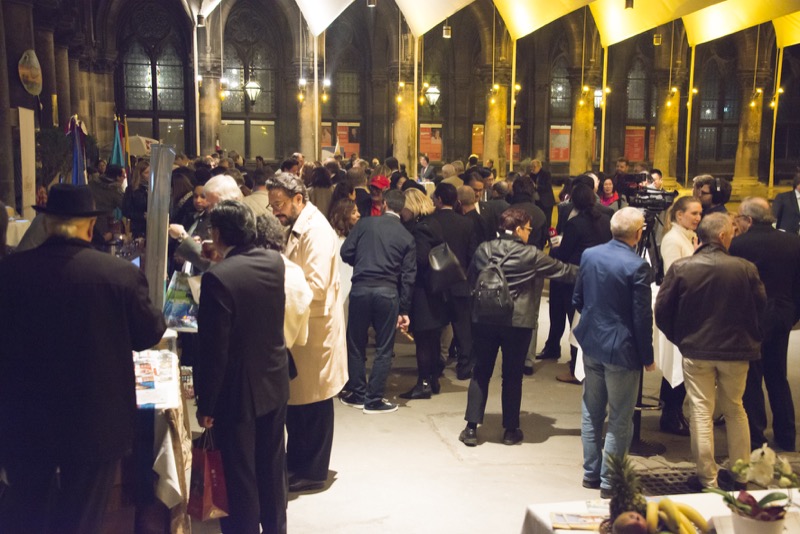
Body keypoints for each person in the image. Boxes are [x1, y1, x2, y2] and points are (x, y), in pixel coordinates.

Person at [0, 184, 166, 533]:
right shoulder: (119, 275)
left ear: (47, 224)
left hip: (25, 418)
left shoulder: (10, 272)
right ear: (90, 227)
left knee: (26, 513)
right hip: (96, 420)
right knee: (81, 520)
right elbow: (149, 334)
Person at [195, 201, 290, 534]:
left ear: (218, 233)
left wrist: (206, 404)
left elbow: (214, 350)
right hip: (274, 379)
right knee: (272, 467)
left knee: (239, 476)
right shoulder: (273, 262)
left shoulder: (218, 278)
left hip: (236, 390)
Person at [655, 213, 766, 490]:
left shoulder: (682, 268)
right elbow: (760, 307)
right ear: (722, 236)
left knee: (701, 412)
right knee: (736, 409)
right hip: (736, 351)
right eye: (732, 233)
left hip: (697, 350)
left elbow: (662, 311)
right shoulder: (745, 268)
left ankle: (707, 478)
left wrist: (681, 339)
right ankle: (740, 475)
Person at [459, 208, 577, 447]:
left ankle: (471, 428)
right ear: (519, 229)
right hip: (517, 321)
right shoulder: (530, 254)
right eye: (528, 229)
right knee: (512, 375)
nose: (529, 233)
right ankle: (510, 430)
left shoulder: (484, 249)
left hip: (484, 319)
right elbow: (563, 271)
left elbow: (471, 279)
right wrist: (596, 268)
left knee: (480, 372)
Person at [267, 172, 347, 492]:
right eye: (272, 205)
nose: (275, 211)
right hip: (301, 327)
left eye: (279, 204)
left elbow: (316, 285)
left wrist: (277, 288)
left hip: (315, 329)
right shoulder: (297, 224)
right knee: (299, 405)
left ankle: (312, 471)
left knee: (313, 404)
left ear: (298, 199)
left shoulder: (316, 231)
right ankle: (298, 464)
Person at [572, 207, 656, 497]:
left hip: (592, 342)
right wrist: (647, 356)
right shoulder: (637, 266)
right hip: (622, 349)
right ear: (638, 234)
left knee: (591, 411)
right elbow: (642, 317)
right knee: (620, 417)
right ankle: (610, 481)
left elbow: (578, 299)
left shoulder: (590, 255)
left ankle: (590, 473)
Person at [730, 197, 800, 452]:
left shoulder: (738, 244)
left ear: (749, 219)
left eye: (739, 218)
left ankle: (756, 436)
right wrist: (792, 314)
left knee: (752, 376)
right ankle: (786, 435)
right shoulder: (793, 242)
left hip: (751, 316)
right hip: (782, 314)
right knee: (778, 374)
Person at [339, 190, 416, 413]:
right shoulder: (406, 236)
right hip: (388, 291)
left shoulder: (364, 224)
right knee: (384, 347)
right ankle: (373, 400)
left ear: (383, 204)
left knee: (355, 343)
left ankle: (357, 393)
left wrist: (362, 261)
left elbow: (346, 252)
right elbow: (408, 277)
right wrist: (404, 309)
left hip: (360, 288)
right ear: (402, 208)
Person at [548, 183, 613, 385]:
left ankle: (576, 369)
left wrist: (554, 246)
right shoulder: (606, 219)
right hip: (601, 275)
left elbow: (564, 252)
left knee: (575, 321)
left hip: (577, 275)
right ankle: (594, 363)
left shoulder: (575, 224)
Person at [655, 196, 703, 437]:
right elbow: (675, 275)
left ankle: (673, 412)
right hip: (680, 308)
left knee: (682, 365)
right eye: (694, 213)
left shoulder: (688, 236)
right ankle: (670, 415)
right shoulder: (673, 239)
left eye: (700, 213)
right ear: (679, 215)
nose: (698, 218)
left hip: (688, 307)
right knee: (677, 365)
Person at [398, 188, 448, 399]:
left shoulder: (420, 229)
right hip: (435, 290)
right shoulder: (433, 223)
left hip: (423, 292)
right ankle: (433, 379)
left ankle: (424, 383)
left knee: (423, 339)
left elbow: (419, 259)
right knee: (432, 338)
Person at [428, 183, 478, 380]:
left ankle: (435, 365)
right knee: (463, 328)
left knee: (436, 328)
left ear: (439, 199)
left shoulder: (430, 221)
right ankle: (465, 366)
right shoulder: (466, 223)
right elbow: (472, 254)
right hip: (460, 281)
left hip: (436, 282)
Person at [329, 198, 361, 320]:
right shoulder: (333, 238)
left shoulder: (351, 238)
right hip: (338, 292)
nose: (358, 215)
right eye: (353, 212)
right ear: (344, 215)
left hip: (348, 292)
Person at [122, 159, 150, 238]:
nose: (149, 175)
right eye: (146, 173)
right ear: (140, 174)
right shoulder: (132, 189)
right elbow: (126, 211)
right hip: (138, 227)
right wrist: (142, 216)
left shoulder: (154, 188)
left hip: (153, 226)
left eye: (150, 172)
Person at [530, 159, 556, 229]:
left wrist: (536, 186)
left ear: (539, 166)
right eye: (531, 167)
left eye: (534, 166)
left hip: (546, 201)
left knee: (547, 220)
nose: (532, 169)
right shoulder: (531, 175)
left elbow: (547, 186)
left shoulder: (546, 174)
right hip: (536, 201)